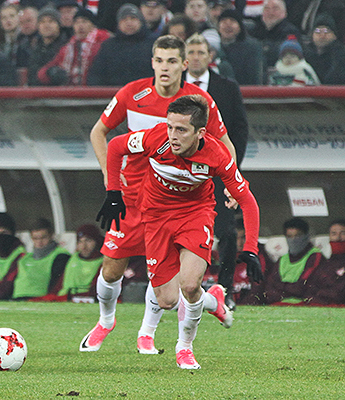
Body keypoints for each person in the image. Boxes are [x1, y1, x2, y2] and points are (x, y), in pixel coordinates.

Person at [87, 34, 240, 357]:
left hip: (174, 203)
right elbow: (99, 132)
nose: (165, 67)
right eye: (159, 60)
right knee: (111, 269)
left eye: (172, 61)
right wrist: (108, 175)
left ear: (184, 65)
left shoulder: (197, 102)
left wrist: (232, 182)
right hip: (131, 197)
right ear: (152, 63)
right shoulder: (132, 94)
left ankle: (147, 333)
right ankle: (105, 321)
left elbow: (224, 143)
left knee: (168, 278)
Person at [92, 94, 261, 369]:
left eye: (181, 129)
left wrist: (251, 248)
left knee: (190, 285)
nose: (173, 135)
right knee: (168, 300)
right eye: (170, 126)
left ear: (200, 133)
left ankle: (184, 347)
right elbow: (115, 146)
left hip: (196, 214)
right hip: (156, 218)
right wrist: (113, 192)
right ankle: (213, 301)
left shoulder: (217, 155)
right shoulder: (154, 138)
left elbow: (248, 201)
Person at [185, 33, 249, 308]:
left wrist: (231, 169)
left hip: (218, 172)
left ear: (210, 56)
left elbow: (239, 130)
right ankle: (180, 289)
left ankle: (225, 289)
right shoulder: (172, 87)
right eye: (192, 52)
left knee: (226, 231)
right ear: (184, 58)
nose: (196, 57)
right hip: (182, 173)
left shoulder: (227, 87)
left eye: (201, 52)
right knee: (176, 229)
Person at [251, 218, 325, 305]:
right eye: (289, 236)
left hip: (301, 304)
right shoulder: (283, 259)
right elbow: (270, 286)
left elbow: (303, 286)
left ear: (306, 236)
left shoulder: (315, 256)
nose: (293, 240)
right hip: (279, 303)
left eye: (297, 236)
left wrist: (281, 288)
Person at [37, 7, 111, 86]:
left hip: (98, 90)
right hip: (72, 91)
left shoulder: (104, 44)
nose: (80, 26)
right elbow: (45, 71)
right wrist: (50, 72)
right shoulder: (68, 47)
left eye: (84, 21)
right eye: (76, 22)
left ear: (93, 25)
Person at [87, 3, 155, 86]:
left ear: (141, 21)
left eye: (133, 18)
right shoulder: (109, 46)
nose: (129, 23)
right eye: (124, 19)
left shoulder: (153, 44)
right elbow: (96, 74)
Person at [12, 218, 70, 300]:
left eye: (43, 238)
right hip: (18, 298)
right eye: (35, 238)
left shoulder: (61, 256)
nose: (39, 242)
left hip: (41, 299)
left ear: (51, 236)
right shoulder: (25, 259)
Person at [247, 0, 301, 70]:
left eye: (275, 9)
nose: (270, 13)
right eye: (267, 9)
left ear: (284, 13)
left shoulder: (291, 31)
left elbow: (284, 52)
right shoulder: (254, 30)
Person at [56, 224, 104, 299]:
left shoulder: (102, 262)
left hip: (84, 299)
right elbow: (60, 284)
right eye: (80, 241)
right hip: (65, 297)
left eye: (88, 241)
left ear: (97, 241)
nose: (83, 246)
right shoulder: (73, 258)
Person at [217, 8, 264, 85]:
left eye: (232, 21)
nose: (228, 26)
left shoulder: (252, 47)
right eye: (224, 22)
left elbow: (255, 77)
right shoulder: (214, 47)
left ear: (240, 26)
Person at [304, 220, 345, 305]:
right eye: (334, 234)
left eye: (343, 233)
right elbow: (310, 289)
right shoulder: (324, 264)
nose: (338, 237)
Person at [27, 7, 69, 86]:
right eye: (42, 22)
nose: (46, 25)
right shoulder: (34, 47)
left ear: (59, 25)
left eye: (51, 21)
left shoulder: (66, 47)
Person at [303, 13, 345, 85]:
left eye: (326, 31)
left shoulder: (340, 54)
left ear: (334, 35)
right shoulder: (305, 53)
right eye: (318, 31)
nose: (322, 36)